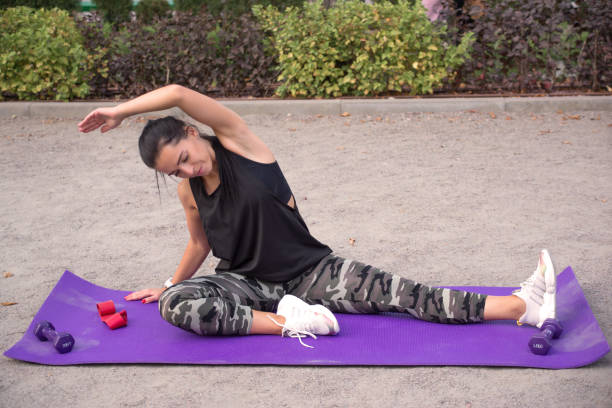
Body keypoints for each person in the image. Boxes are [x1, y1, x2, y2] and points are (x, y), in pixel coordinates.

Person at [78, 84, 557, 347]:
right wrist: (167, 284)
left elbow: (180, 91)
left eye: (184, 155)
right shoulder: (191, 193)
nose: (188, 168)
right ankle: (294, 324)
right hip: (247, 284)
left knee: (407, 296)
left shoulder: (240, 145)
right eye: (175, 170)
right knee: (176, 305)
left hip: (312, 273)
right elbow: (201, 246)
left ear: (191, 131)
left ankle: (520, 306)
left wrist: (120, 111)